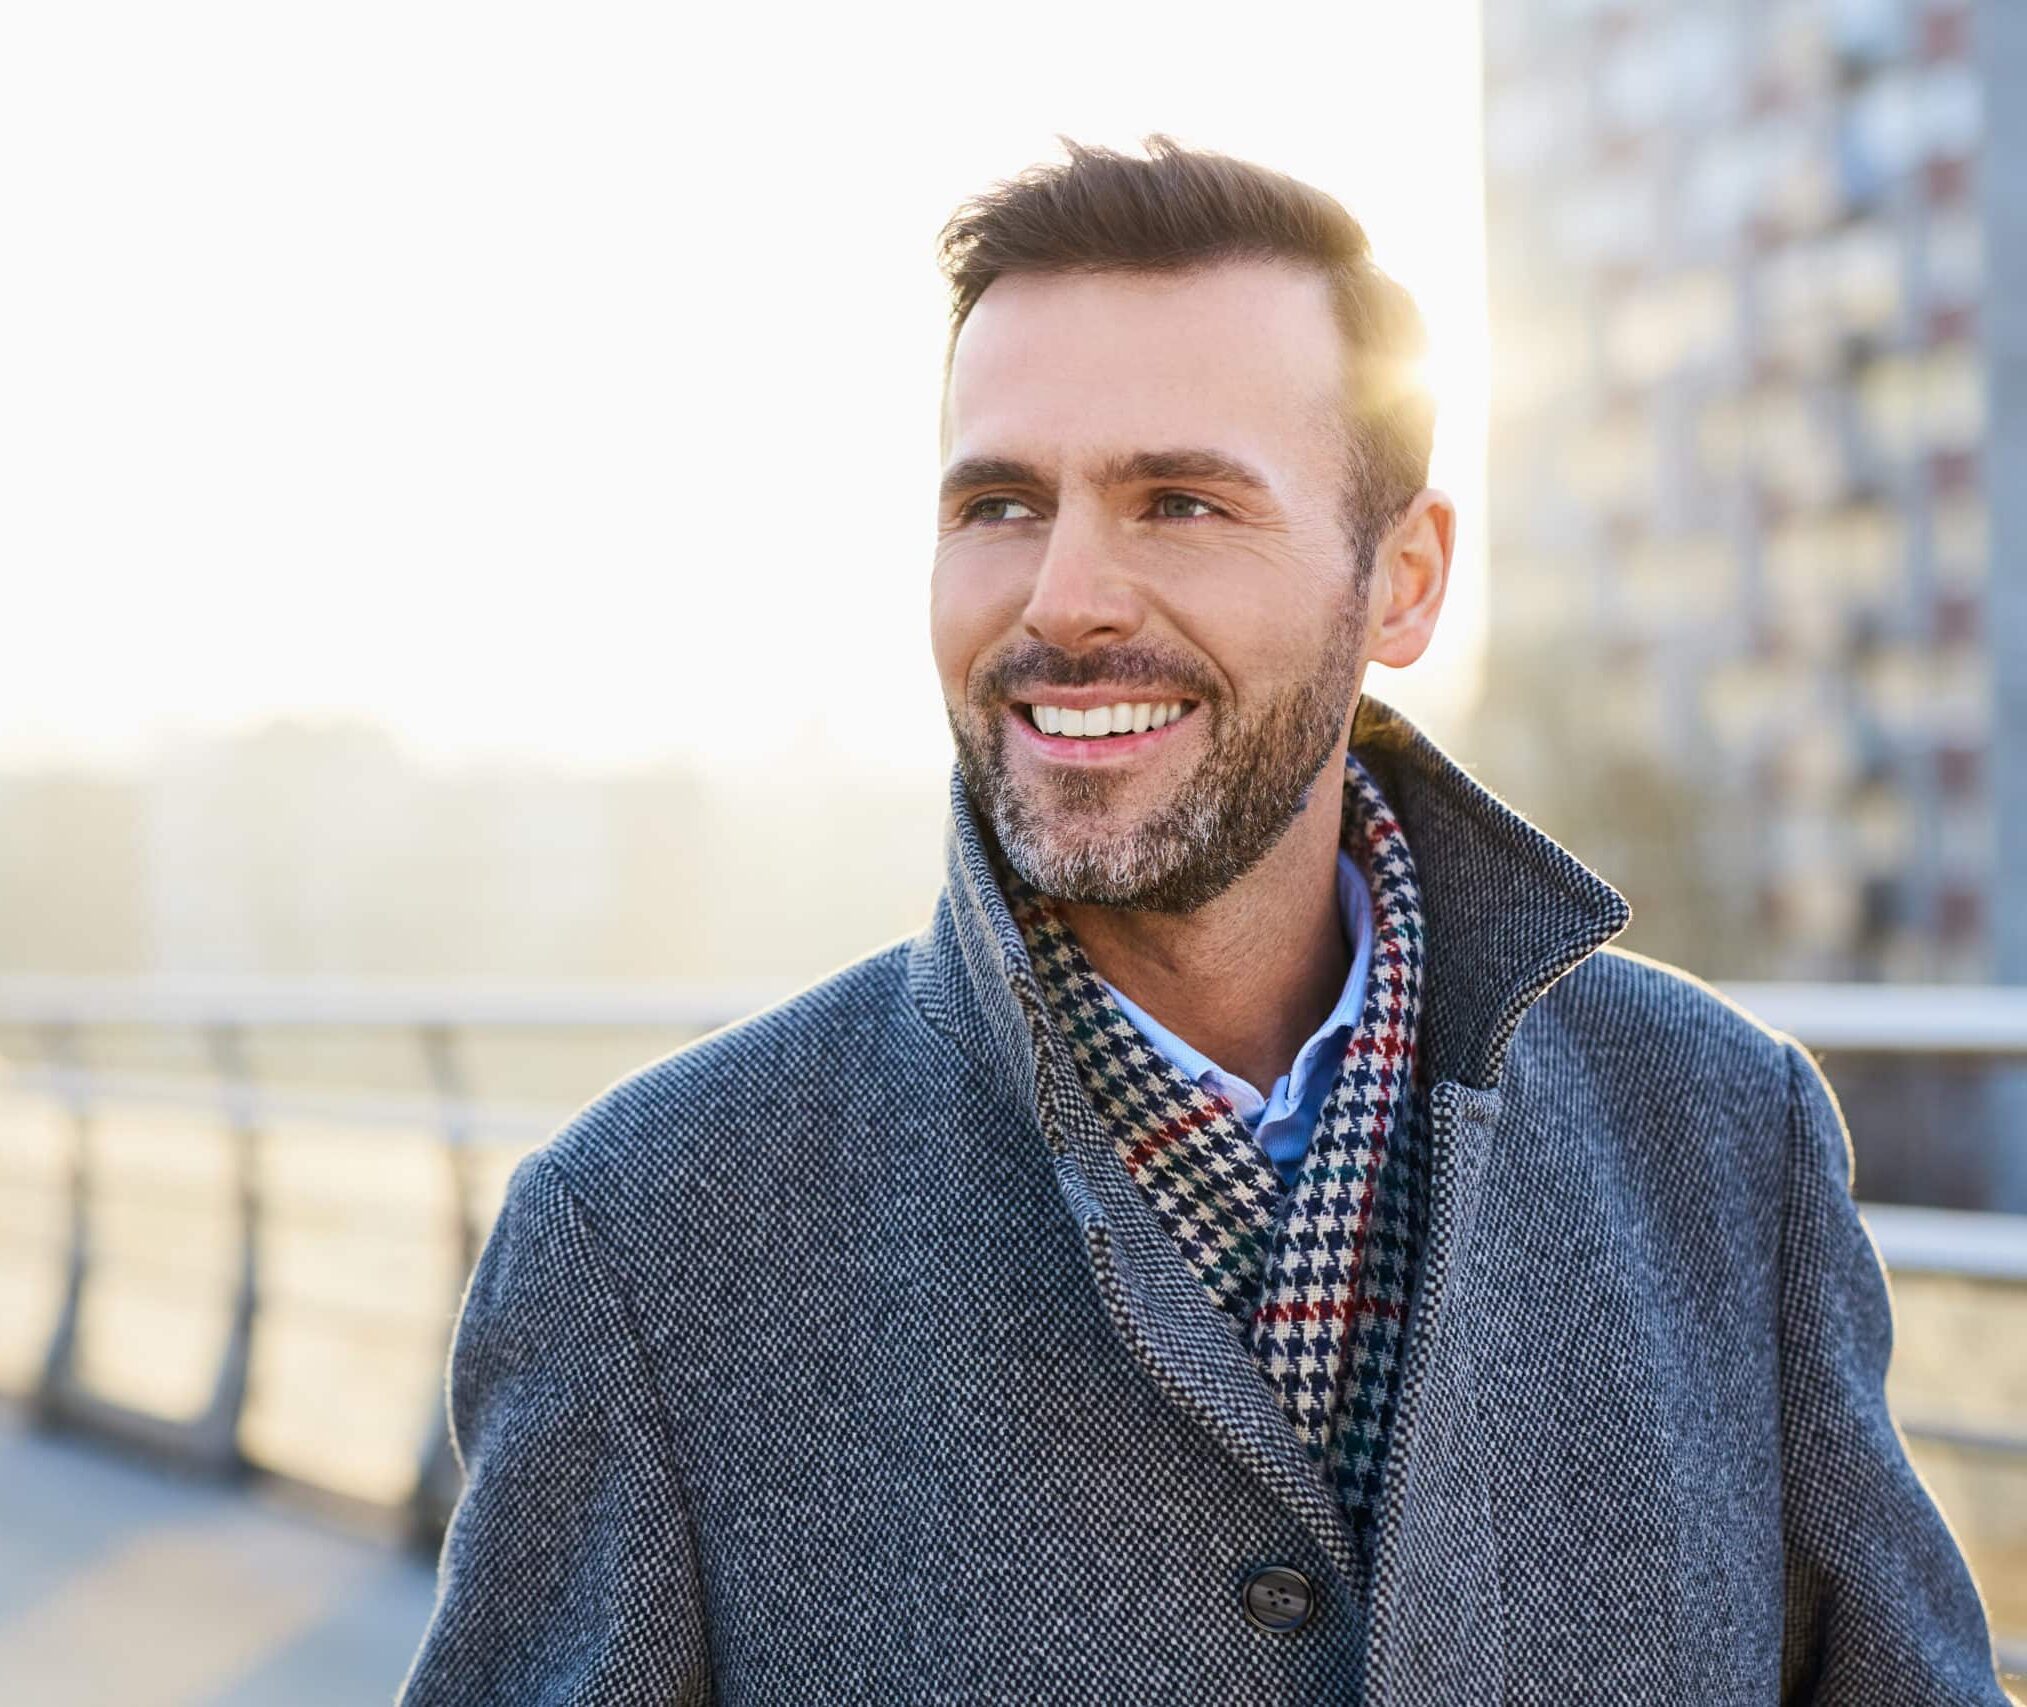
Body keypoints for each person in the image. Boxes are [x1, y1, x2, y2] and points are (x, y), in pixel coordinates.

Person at [400, 136, 2010, 1704]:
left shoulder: (1729, 1141)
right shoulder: (641, 1243)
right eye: (1002, 504)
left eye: (1179, 503)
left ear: (1404, 581)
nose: (1065, 598)